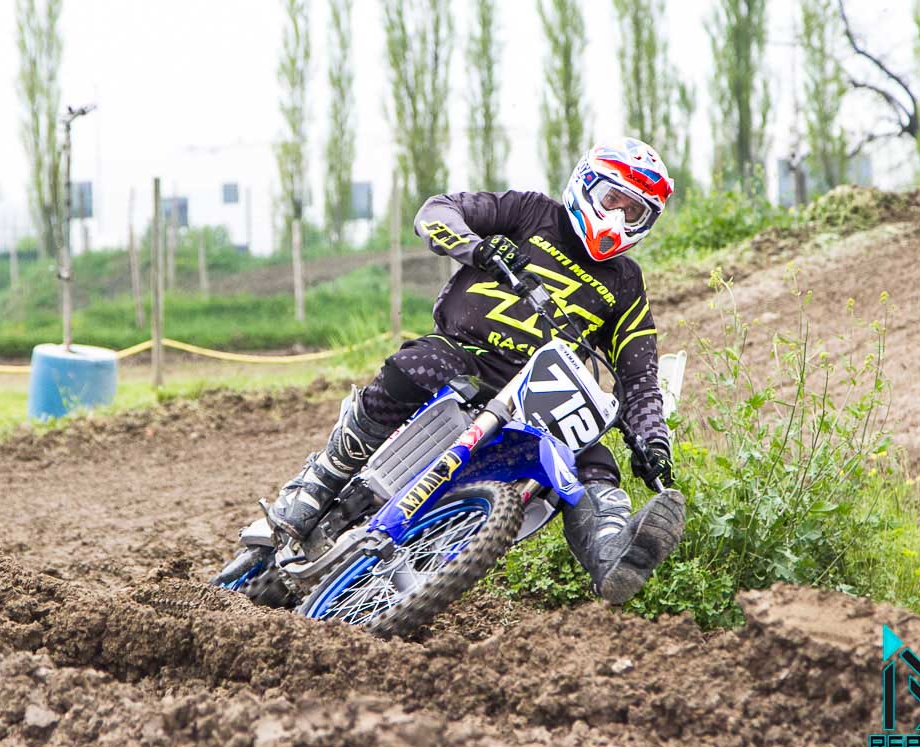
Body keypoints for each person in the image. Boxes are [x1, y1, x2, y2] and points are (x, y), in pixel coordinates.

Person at [268, 137, 686, 604]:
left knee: (592, 459)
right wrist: (478, 248)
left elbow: (639, 375)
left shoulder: (626, 282)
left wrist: (653, 442)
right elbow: (437, 211)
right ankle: (322, 479)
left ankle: (613, 553)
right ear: (586, 185)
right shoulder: (530, 213)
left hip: (543, 395)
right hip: (469, 354)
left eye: (635, 212)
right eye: (613, 200)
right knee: (415, 365)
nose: (618, 218)